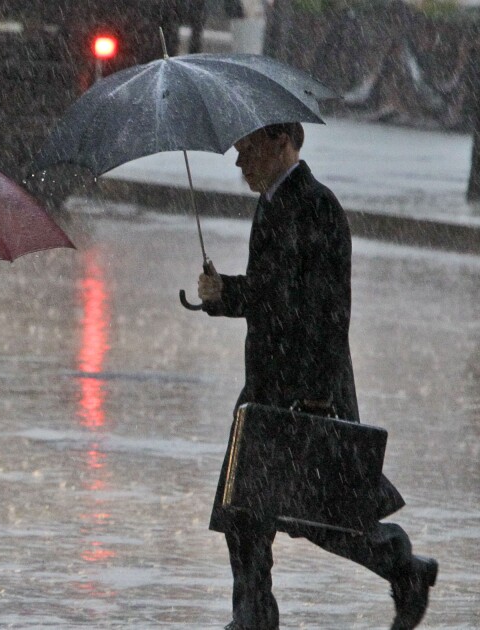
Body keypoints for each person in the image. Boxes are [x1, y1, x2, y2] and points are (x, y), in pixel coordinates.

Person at [197, 123, 437, 630]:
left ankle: (404, 567)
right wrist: (225, 295)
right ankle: (254, 617)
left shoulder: (317, 206)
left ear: (282, 143)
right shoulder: (272, 202)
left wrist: (316, 395)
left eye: (247, 150)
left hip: (305, 385)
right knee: (244, 512)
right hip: (268, 384)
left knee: (326, 518)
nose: (238, 162)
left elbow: (324, 312)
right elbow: (272, 292)